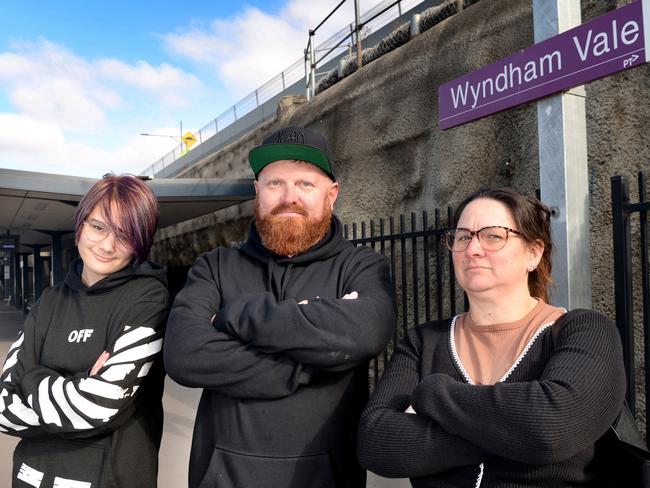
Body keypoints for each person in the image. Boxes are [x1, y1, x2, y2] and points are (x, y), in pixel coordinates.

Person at [164, 125, 396, 488]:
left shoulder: (361, 266)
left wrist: (234, 316)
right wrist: (309, 363)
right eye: (275, 184)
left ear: (331, 194)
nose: (289, 197)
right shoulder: (215, 266)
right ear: (258, 191)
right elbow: (183, 354)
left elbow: (367, 331)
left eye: (305, 184)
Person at [357, 187, 626, 487]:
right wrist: (512, 436)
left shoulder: (584, 331)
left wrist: (433, 393)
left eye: (493, 236)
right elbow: (375, 441)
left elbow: (550, 428)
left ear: (533, 253)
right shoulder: (423, 342)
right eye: (462, 236)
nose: (472, 249)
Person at [0, 175, 170, 487]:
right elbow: (3, 408)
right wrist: (78, 386)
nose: (106, 245)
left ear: (141, 240)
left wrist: (32, 377)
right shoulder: (50, 300)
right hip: (29, 477)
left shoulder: (148, 300)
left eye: (124, 234)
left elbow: (96, 406)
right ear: (80, 224)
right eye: (98, 226)